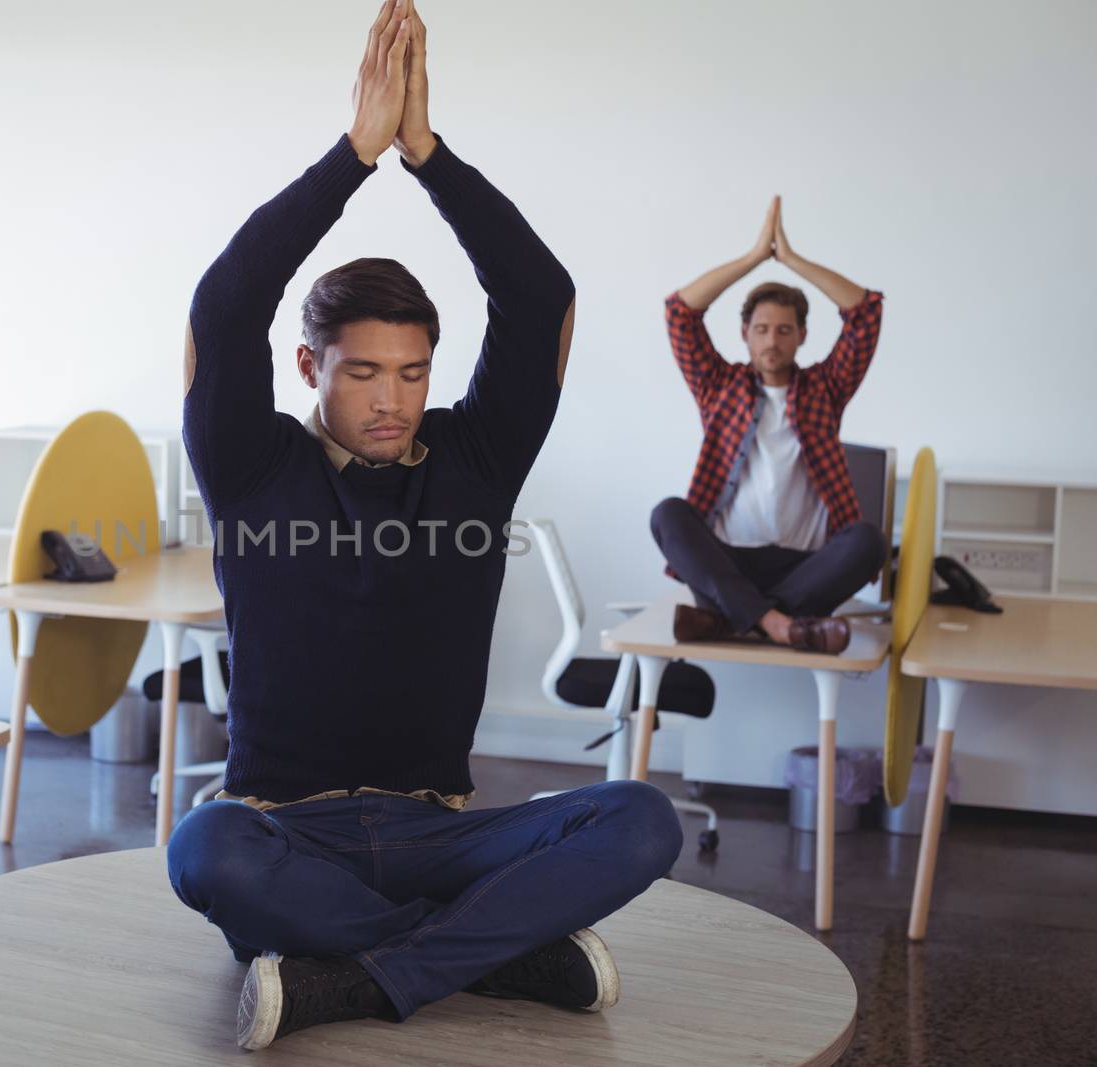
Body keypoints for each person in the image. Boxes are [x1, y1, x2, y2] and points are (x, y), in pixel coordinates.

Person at [167, 1, 681, 1050]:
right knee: (201, 851)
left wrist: (428, 157)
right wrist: (353, 157)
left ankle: (358, 972)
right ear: (310, 366)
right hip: (279, 827)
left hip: (440, 826)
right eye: (363, 372)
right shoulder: (250, 460)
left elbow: (540, 298)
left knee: (640, 815)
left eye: (411, 371)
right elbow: (224, 306)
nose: (391, 398)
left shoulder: (474, 459)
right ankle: (502, 952)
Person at [651, 196, 888, 654]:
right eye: (761, 329)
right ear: (744, 334)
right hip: (728, 564)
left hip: (804, 569)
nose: (772, 340)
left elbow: (866, 313)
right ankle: (780, 625)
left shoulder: (826, 389)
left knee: (868, 541)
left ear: (801, 335)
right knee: (668, 514)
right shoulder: (718, 387)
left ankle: (735, 620)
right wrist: (754, 258)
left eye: (784, 330)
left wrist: (792, 261)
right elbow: (680, 313)